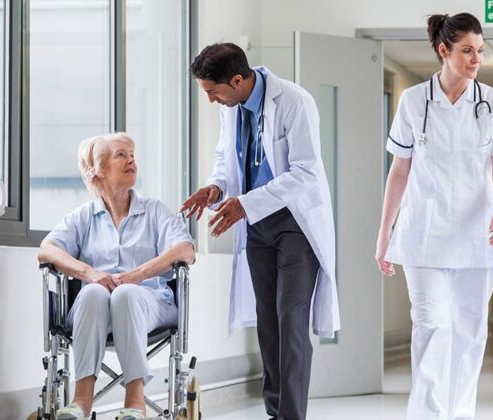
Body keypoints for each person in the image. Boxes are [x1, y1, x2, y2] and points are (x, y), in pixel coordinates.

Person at [180, 43, 338, 420]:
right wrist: (216, 187)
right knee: (268, 321)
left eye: (213, 92)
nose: (211, 100)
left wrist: (245, 204)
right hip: (256, 225)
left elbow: (305, 172)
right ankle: (274, 411)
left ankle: (291, 415)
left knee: (290, 319)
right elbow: (225, 155)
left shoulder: (294, 102)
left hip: (295, 224)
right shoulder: (232, 109)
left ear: (237, 80)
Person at [374, 13, 493, 420]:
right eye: (467, 51)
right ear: (444, 51)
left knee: (470, 333)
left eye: (480, 51)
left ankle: (460, 413)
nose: (476, 59)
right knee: (432, 325)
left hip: (478, 234)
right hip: (424, 234)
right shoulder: (414, 101)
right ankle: (426, 414)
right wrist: (384, 233)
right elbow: (399, 170)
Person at [37, 133, 196, 420]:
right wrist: (90, 273)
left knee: (124, 292)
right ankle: (81, 400)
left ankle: (135, 400)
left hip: (151, 305)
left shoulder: (154, 212)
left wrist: (137, 274)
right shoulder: (83, 217)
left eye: (132, 154)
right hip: (92, 310)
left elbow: (185, 250)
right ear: (97, 168)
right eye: (121, 155)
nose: (131, 159)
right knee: (95, 291)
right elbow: (46, 250)